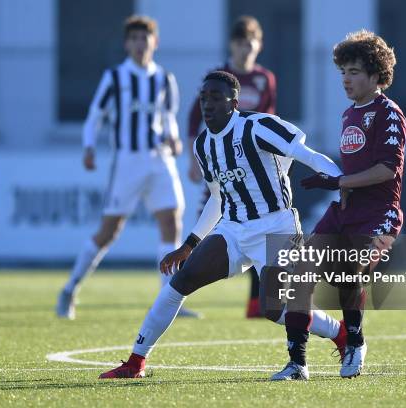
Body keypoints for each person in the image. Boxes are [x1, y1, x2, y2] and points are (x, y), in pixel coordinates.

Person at [98, 70, 347, 379]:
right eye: (204, 98)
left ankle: (332, 338)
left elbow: (307, 155)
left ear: (234, 102)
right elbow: (217, 197)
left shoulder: (256, 126)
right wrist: (189, 245)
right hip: (233, 229)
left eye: (216, 98)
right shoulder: (203, 145)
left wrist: (342, 185)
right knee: (181, 280)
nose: (208, 104)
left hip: (276, 227)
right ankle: (136, 362)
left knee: (273, 309)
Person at [272, 30, 406, 380]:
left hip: (379, 214)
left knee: (348, 275)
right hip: (344, 211)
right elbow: (351, 169)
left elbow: (386, 170)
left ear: (376, 76)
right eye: (343, 71)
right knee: (300, 271)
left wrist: (338, 182)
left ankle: (356, 341)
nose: (346, 79)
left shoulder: (389, 113)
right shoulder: (349, 114)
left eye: (355, 71)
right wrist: (339, 186)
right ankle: (297, 364)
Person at [56, 15, 199, 319]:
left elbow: (168, 117)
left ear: (154, 42)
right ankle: (70, 289)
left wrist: (174, 140)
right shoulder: (116, 77)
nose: (139, 44)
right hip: (128, 162)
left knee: (171, 224)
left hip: (160, 159)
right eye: (133, 38)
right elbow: (96, 115)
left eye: (144, 38)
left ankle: (168, 298)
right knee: (108, 232)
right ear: (126, 44)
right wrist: (89, 146)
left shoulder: (164, 79)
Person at [187, 16, 277, 318]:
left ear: (259, 45)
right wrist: (191, 159)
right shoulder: (219, 78)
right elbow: (192, 119)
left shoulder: (265, 79)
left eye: (250, 43)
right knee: (210, 226)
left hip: (253, 171)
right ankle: (180, 288)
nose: (245, 49)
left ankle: (255, 303)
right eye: (240, 43)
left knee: (256, 228)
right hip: (223, 167)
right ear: (232, 46)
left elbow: (269, 123)